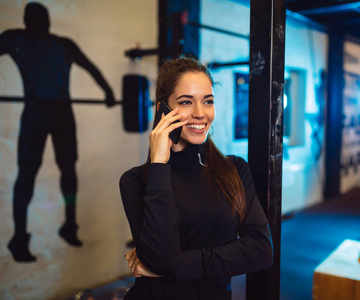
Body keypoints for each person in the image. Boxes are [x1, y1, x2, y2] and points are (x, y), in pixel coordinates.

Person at [119, 57, 273, 299]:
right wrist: (159, 163)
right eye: (186, 102)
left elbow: (261, 250)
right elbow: (160, 256)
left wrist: (175, 265)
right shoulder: (137, 180)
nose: (200, 114)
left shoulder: (234, 170)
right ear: (163, 109)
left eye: (208, 101)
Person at [1, 2, 115, 262]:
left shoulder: (62, 45)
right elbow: (91, 68)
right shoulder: (17, 39)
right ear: (28, 21)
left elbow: (91, 67)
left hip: (60, 114)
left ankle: (69, 225)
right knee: (28, 174)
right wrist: (107, 91)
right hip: (37, 114)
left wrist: (108, 91)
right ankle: (20, 238)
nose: (41, 24)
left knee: (67, 169)